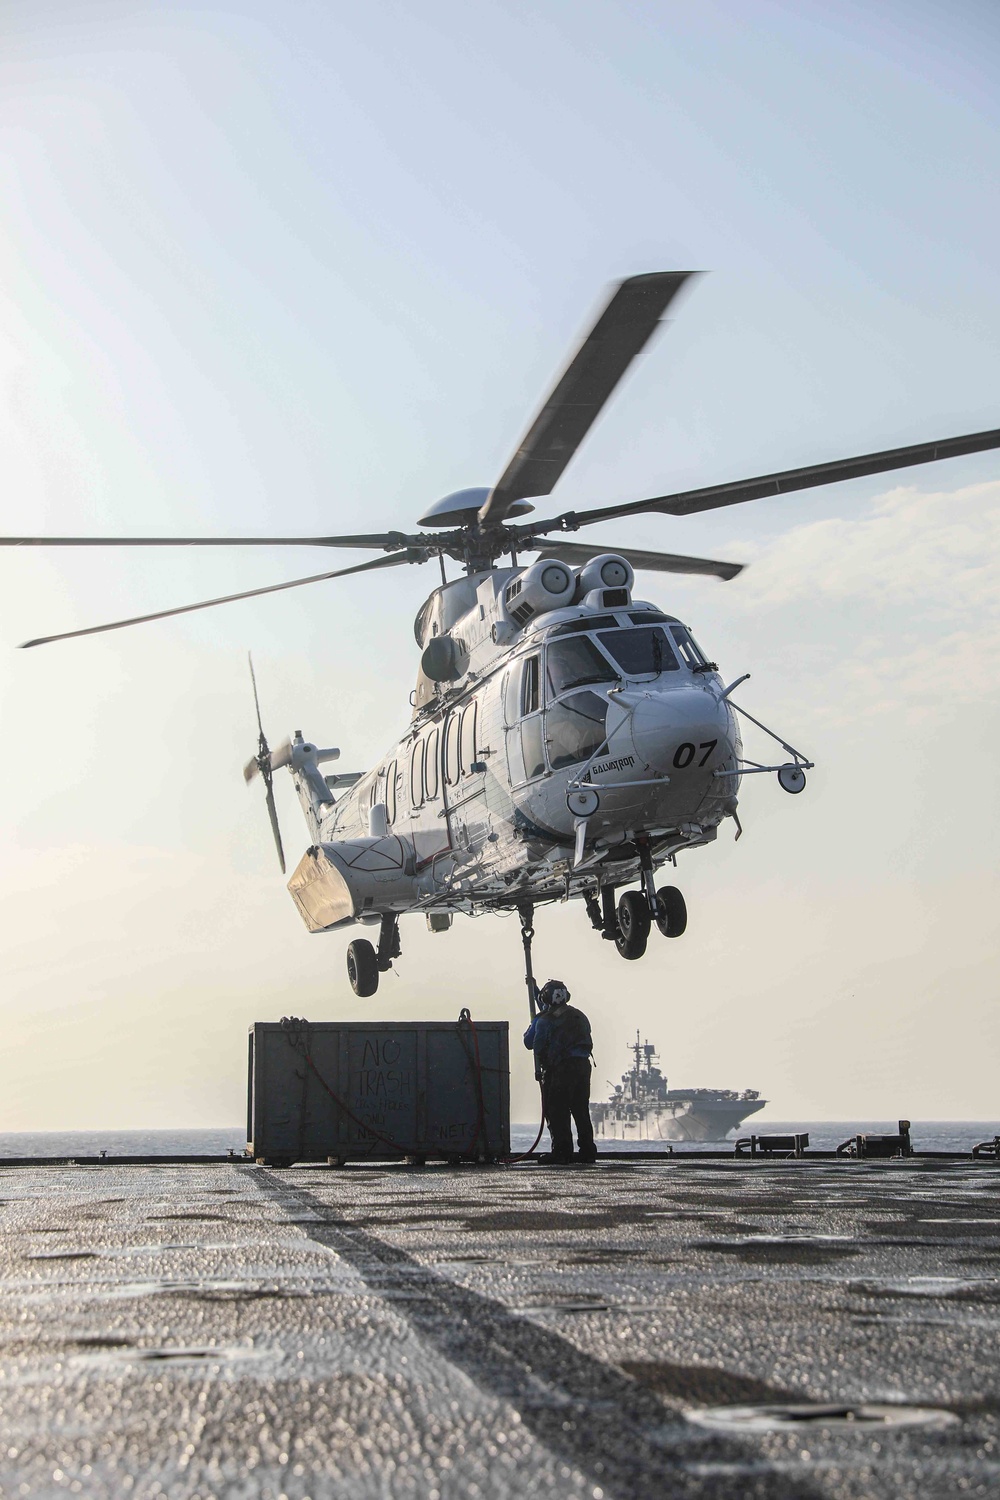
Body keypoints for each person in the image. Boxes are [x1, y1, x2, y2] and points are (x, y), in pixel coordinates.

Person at [523, 979, 597, 1164]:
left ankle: (561, 1152)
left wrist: (534, 1022)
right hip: (582, 1068)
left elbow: (531, 1043)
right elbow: (555, 1010)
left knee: (557, 1111)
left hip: (559, 1070)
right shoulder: (579, 1016)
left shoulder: (544, 1021)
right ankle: (587, 1151)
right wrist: (534, 990)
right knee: (580, 1110)